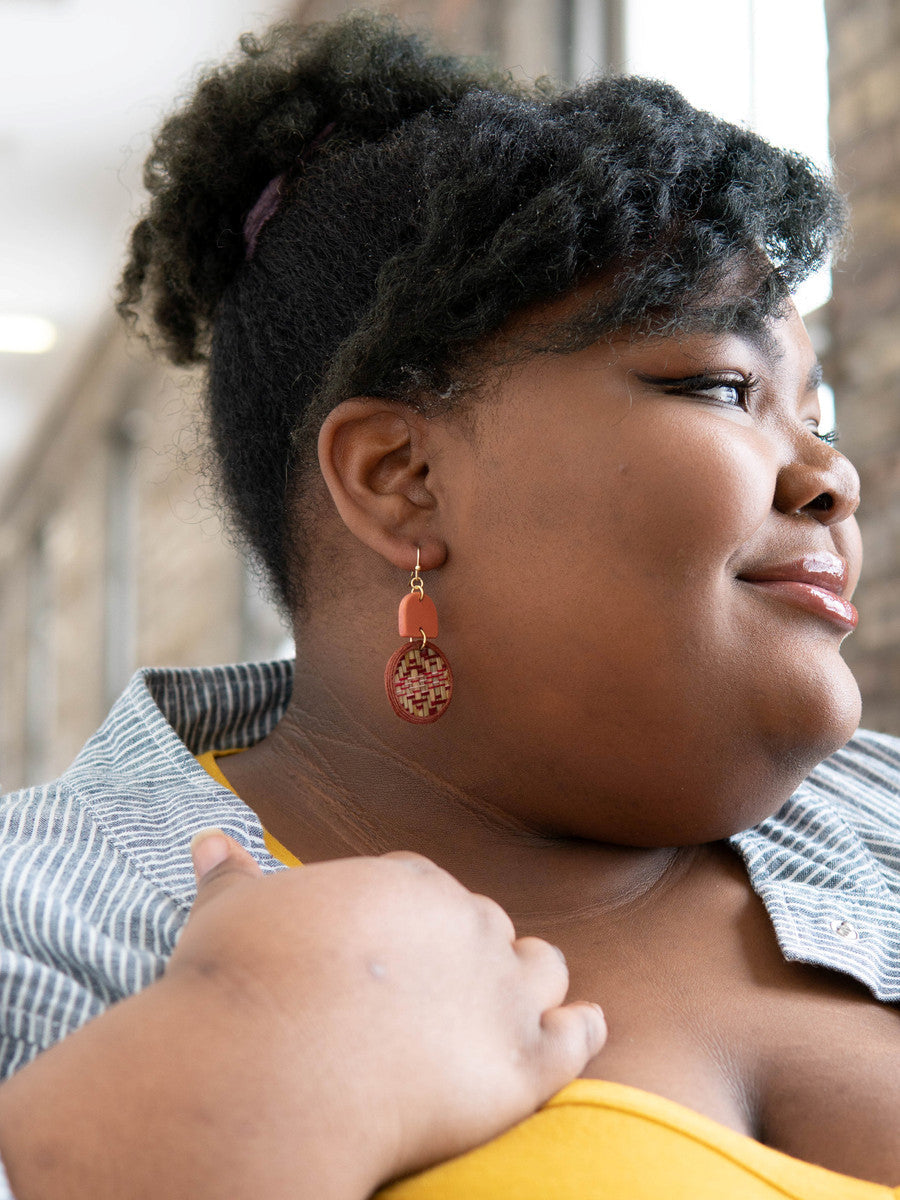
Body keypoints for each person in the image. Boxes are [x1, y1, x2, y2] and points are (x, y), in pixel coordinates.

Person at [0, 10, 897, 1198]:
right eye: (725, 386)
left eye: (819, 414)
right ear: (401, 479)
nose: (829, 475)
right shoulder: (42, 923)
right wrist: (239, 1098)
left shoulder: (879, 822)